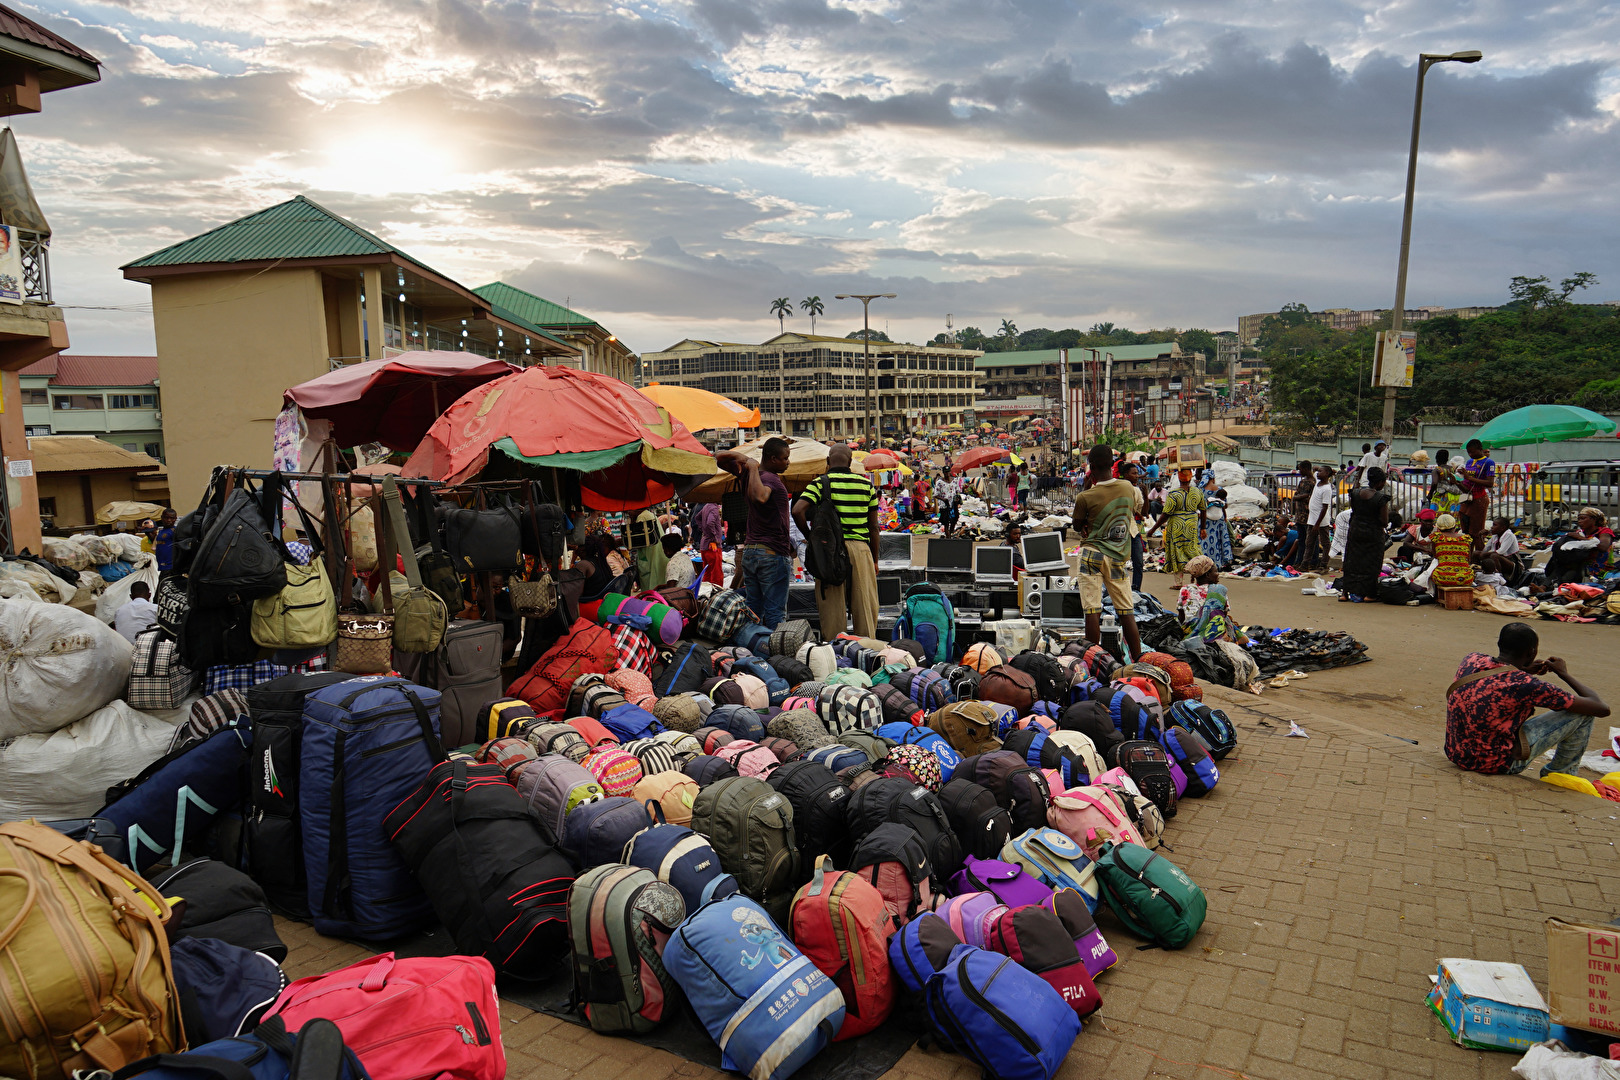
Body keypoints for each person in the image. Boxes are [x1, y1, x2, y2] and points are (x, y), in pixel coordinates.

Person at [1444, 623, 1609, 778]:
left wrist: (1522, 668)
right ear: (1531, 652)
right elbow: (1600, 708)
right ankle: (1561, 774)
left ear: (1500, 644)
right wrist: (1563, 673)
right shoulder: (1525, 684)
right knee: (1583, 714)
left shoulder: (1472, 659)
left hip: (1457, 754)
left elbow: (1500, 679)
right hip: (1494, 763)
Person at [793, 443, 880, 638]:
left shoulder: (819, 483)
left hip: (828, 551)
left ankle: (836, 654)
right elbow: (874, 527)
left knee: (832, 609)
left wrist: (811, 539)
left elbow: (797, 510)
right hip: (860, 549)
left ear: (827, 461)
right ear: (850, 462)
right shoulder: (866, 485)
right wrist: (874, 559)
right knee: (864, 605)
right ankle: (866, 652)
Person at [1070, 444, 1142, 659]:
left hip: (1092, 554)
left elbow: (1076, 525)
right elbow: (1136, 508)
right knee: (1126, 611)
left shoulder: (1086, 497)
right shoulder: (1128, 488)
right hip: (1117, 556)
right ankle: (1138, 660)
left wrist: (1086, 489)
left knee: (1092, 610)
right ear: (1113, 464)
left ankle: (1092, 663)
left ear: (1090, 467)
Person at [719, 437, 794, 629]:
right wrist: (751, 466)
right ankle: (774, 657)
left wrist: (745, 459)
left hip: (752, 553)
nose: (788, 462)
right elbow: (760, 496)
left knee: (753, 611)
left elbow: (719, 458)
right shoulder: (768, 478)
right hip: (771, 555)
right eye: (785, 458)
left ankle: (753, 651)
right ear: (772, 458)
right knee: (775, 613)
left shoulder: (750, 476)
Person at [1340, 467, 1393, 602]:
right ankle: (1369, 594)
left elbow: (1354, 511)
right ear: (1380, 482)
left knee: (1352, 561)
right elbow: (1384, 521)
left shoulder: (1356, 493)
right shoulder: (1380, 499)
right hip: (1373, 534)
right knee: (1371, 563)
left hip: (1355, 531)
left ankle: (1345, 593)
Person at [1146, 467, 1206, 584]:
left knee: (1177, 551)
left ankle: (1178, 582)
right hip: (1192, 524)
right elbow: (1203, 510)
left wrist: (1153, 529)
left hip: (1176, 525)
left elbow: (1166, 514)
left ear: (1179, 478)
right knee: (1193, 549)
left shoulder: (1173, 494)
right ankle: (1199, 578)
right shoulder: (1197, 492)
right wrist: (1203, 527)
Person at [1180, 555, 1251, 646]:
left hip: (1190, 631)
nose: (1218, 574)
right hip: (1213, 632)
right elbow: (1224, 614)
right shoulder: (1219, 589)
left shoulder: (1185, 589)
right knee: (1240, 635)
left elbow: (1181, 616)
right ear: (1207, 575)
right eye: (1216, 571)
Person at [1543, 507, 1616, 584]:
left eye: (1583, 518)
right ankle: (1544, 587)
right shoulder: (1580, 532)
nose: (1580, 521)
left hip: (1599, 569)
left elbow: (1603, 547)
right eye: (1579, 519)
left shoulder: (1604, 532)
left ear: (1594, 519)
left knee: (1572, 571)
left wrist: (1580, 538)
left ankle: (1553, 587)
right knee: (1560, 565)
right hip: (1581, 565)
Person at [1413, 513, 1475, 590]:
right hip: (1466, 578)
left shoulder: (1436, 538)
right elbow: (1469, 559)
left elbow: (1436, 557)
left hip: (1442, 578)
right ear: (1454, 526)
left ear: (1438, 527)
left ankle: (1434, 595)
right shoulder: (1466, 539)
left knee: (1432, 571)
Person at [1117, 459, 1147, 592]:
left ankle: (1136, 590)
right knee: (1118, 563)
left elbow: (1144, 512)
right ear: (1125, 475)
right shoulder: (1117, 488)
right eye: (1134, 473)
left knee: (1138, 562)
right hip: (1119, 530)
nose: (1137, 476)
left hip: (1133, 530)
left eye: (1137, 473)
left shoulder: (1136, 490)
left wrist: (1146, 494)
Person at [1459, 439, 1495, 545]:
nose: (1470, 454)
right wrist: (1456, 482)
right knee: (1465, 531)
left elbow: (1490, 483)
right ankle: (1468, 556)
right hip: (1467, 498)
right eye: (1468, 452)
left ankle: (1479, 557)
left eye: (1472, 452)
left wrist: (1469, 478)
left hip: (1479, 499)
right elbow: (1466, 484)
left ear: (1480, 449)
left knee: (1476, 533)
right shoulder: (1469, 462)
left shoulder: (1488, 462)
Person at [1302, 465, 1335, 571]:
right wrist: (1317, 468)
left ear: (1326, 474)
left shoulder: (1326, 489)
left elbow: (1324, 508)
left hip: (1321, 521)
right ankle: (1305, 563)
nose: (1318, 473)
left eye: (1321, 471)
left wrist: (1317, 523)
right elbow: (1315, 469)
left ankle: (1324, 564)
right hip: (1312, 519)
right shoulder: (1318, 480)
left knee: (1325, 543)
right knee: (1309, 542)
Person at [1478, 517, 1523, 582]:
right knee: (1476, 553)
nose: (1491, 527)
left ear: (1502, 528)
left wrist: (1484, 554)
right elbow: (1484, 550)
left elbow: (1501, 551)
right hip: (1498, 558)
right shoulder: (1495, 536)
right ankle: (1477, 573)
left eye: (1494, 525)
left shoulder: (1509, 535)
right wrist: (1480, 537)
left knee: (1494, 556)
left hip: (1513, 563)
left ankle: (1499, 577)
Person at [692, 500, 726, 586]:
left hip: (705, 544)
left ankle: (706, 592)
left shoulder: (706, 506)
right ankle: (716, 593)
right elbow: (710, 523)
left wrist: (703, 530)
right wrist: (714, 537)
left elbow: (697, 518)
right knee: (716, 572)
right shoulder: (713, 508)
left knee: (707, 571)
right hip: (713, 545)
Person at [1425, 447, 1464, 518]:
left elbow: (1434, 483)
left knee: (1438, 516)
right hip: (1452, 496)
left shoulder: (1437, 470)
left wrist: (1430, 494)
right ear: (1447, 459)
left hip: (1441, 496)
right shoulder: (1451, 468)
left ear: (1436, 459)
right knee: (1451, 516)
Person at [1201, 487, 1233, 569]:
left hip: (1209, 520)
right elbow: (1224, 510)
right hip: (1217, 520)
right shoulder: (1222, 502)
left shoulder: (1210, 499)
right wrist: (1225, 518)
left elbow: (1205, 508)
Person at [936, 472, 961, 537]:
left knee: (955, 518)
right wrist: (943, 499)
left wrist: (957, 498)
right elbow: (936, 495)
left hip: (953, 504)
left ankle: (950, 533)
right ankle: (948, 537)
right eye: (945, 472)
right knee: (946, 522)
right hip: (944, 505)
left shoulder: (954, 481)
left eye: (948, 472)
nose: (947, 474)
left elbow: (957, 491)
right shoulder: (939, 482)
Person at [153, 507, 177, 573]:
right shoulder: (161, 532)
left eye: (172, 518)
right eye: (166, 518)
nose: (169, 520)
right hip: (162, 566)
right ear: (162, 518)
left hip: (171, 567)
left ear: (175, 519)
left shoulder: (175, 531)